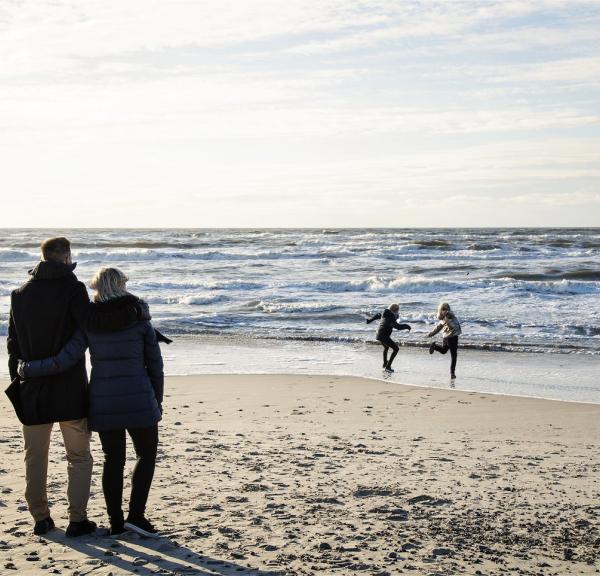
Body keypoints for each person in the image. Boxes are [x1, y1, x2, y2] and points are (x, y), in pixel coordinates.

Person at [6, 237, 147, 537]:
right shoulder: (73, 288)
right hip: (70, 391)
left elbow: (12, 346)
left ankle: (41, 519)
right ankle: (77, 520)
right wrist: (134, 313)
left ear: (42, 257)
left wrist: (19, 381)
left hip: (32, 391)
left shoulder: (19, 294)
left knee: (35, 457)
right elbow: (93, 323)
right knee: (79, 457)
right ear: (67, 256)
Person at [366, 304, 411, 372]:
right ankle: (388, 366)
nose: (398, 312)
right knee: (396, 349)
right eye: (397, 311)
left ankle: (385, 363)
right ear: (395, 310)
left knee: (386, 347)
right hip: (384, 335)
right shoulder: (391, 317)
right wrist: (407, 326)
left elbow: (378, 315)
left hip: (379, 335)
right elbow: (397, 327)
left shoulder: (386, 313)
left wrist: (369, 320)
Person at [427, 302, 462, 379]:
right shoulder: (450, 316)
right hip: (452, 337)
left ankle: (434, 346)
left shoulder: (443, 318)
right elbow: (453, 326)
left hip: (445, 337)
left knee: (443, 350)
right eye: (444, 309)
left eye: (446, 309)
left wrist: (431, 334)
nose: (446, 310)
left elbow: (438, 328)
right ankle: (452, 373)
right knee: (454, 355)